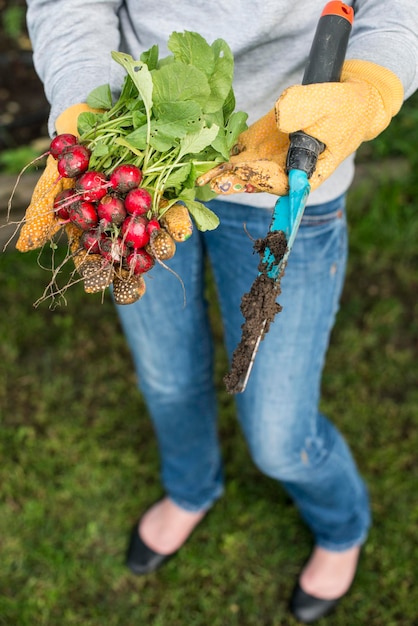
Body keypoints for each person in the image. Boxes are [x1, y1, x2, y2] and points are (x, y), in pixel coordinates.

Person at [23, 1, 418, 622]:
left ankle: (343, 526)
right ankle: (190, 487)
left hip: (290, 162)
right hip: (143, 175)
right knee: (166, 375)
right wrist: (84, 116)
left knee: (280, 436)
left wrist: (371, 85)